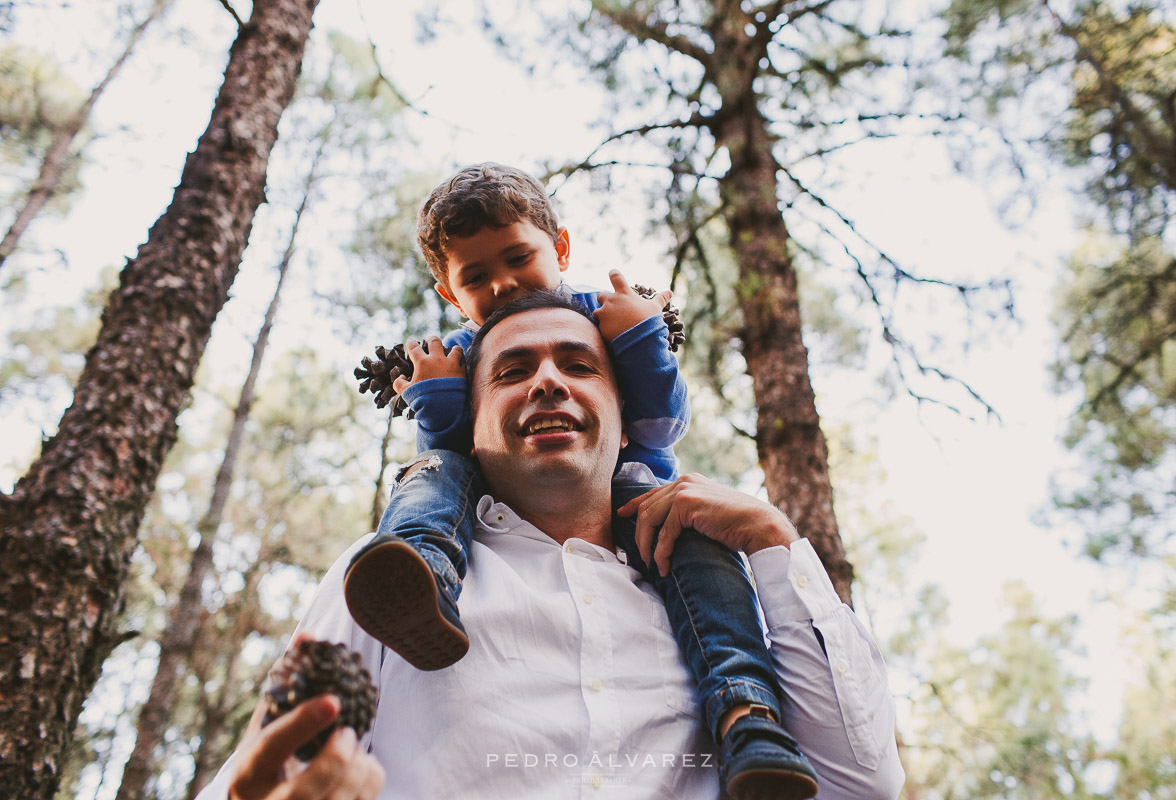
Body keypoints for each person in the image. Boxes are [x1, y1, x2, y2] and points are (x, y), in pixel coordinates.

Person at [196, 295, 905, 800]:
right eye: (511, 372)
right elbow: (268, 768)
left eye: (578, 364)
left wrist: (773, 538)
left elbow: (861, 783)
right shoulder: (386, 576)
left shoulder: (720, 603)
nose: (546, 381)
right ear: (468, 429)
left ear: (627, 423)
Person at [342, 164, 819, 793]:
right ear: (449, 293)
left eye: (518, 257)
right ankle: (421, 576)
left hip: (633, 492)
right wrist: (434, 396)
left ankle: (747, 714)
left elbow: (658, 424)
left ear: (560, 248)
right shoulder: (459, 348)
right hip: (495, 500)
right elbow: (472, 446)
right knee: (430, 473)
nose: (504, 284)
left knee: (700, 554)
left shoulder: (601, 312)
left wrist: (642, 339)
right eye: (476, 277)